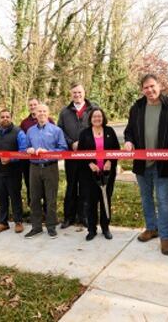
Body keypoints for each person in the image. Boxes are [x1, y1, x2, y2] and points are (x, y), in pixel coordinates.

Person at [124, 74, 168, 255]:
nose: (150, 90)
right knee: (146, 197)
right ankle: (152, 228)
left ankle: (165, 236)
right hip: (142, 164)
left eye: (152, 86)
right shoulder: (137, 107)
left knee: (163, 200)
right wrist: (128, 141)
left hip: (163, 163)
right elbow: (129, 131)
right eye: (146, 87)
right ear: (142, 89)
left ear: (159, 85)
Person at [24, 104, 68, 239]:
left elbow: (63, 149)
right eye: (39, 111)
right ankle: (36, 227)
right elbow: (25, 147)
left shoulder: (56, 130)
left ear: (48, 113)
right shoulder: (30, 131)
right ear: (35, 114)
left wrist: (48, 152)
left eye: (44, 111)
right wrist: (28, 149)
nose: (41, 113)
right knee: (35, 199)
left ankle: (51, 226)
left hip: (50, 168)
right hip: (34, 168)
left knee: (51, 198)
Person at [76, 107, 120, 241]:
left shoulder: (109, 131)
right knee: (91, 201)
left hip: (107, 173)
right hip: (89, 174)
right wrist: (90, 163)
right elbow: (80, 153)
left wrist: (110, 161)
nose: (97, 119)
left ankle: (105, 228)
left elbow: (116, 149)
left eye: (99, 116)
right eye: (94, 116)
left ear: (103, 118)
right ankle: (91, 229)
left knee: (105, 200)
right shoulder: (85, 133)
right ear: (90, 119)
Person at [58, 83, 98, 228]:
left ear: (84, 93)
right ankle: (69, 217)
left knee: (86, 186)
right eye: (74, 93)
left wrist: (85, 143)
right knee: (71, 186)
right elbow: (60, 130)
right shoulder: (64, 112)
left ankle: (84, 216)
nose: (77, 95)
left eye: (79, 92)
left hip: (88, 155)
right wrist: (71, 143)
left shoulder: (93, 109)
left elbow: (99, 127)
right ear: (71, 94)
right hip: (71, 155)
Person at [0, 108, 28, 234]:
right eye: (2, 117)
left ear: (11, 118)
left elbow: (23, 152)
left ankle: (18, 222)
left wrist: (11, 159)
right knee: (1, 198)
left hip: (13, 172)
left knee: (15, 198)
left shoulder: (18, 132)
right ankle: (3, 223)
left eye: (7, 116)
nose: (5, 119)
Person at [19, 98, 54, 215]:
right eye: (31, 105)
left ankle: (46, 212)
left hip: (47, 162)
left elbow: (55, 141)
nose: (33, 106)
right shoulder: (24, 123)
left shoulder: (50, 121)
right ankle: (34, 213)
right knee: (32, 189)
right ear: (28, 107)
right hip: (30, 163)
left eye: (35, 104)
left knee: (46, 189)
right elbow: (23, 142)